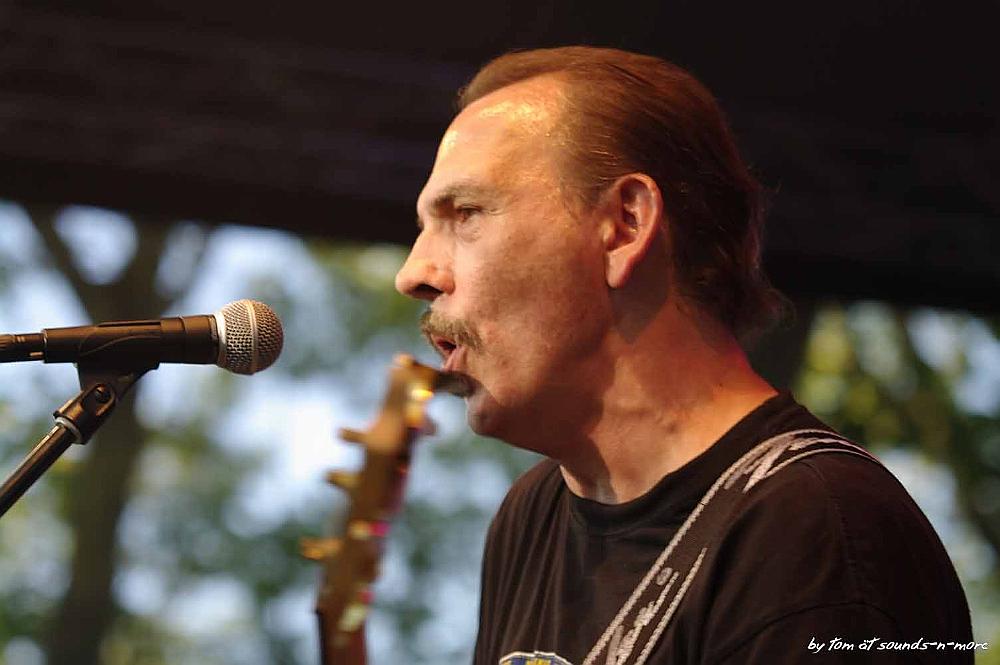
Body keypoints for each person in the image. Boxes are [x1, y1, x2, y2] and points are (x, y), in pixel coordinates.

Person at [394, 46, 974, 664]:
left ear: (624, 224)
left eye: (466, 213)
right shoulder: (534, 515)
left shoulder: (819, 531)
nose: (413, 274)